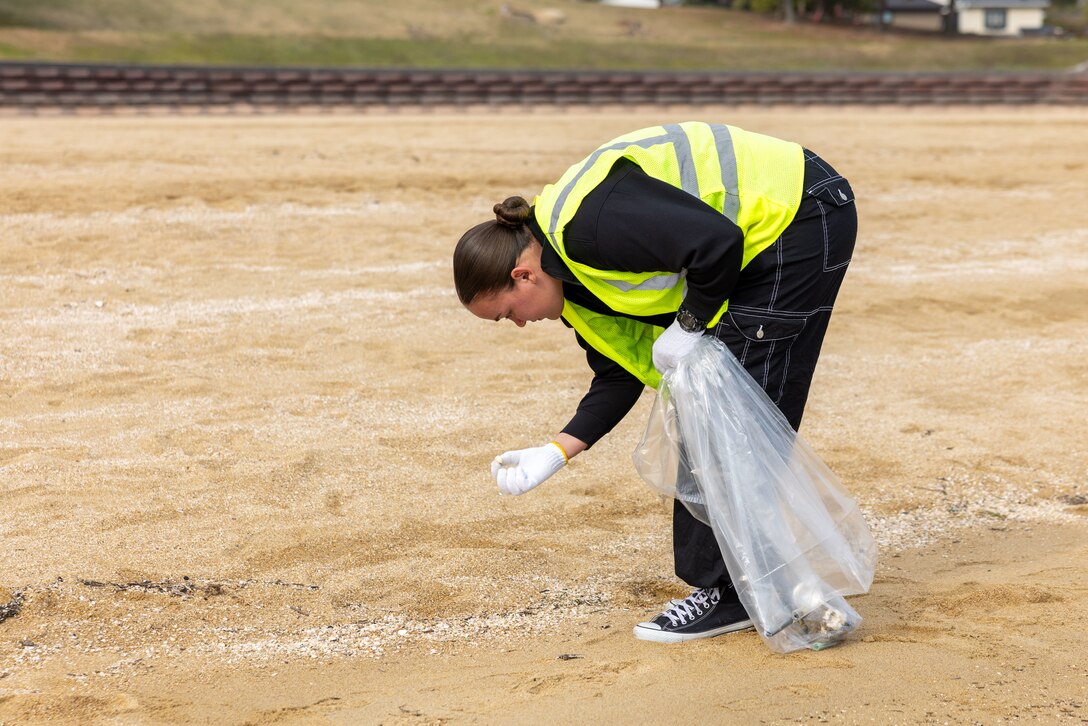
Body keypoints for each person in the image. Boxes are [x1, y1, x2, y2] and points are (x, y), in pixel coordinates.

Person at [453, 121, 857, 644]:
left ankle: (740, 595)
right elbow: (616, 374)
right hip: (780, 227)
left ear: (522, 276)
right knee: (720, 420)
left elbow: (718, 242)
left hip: (798, 216)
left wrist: (690, 325)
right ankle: (758, 588)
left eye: (507, 314)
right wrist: (556, 451)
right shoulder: (574, 288)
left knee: (732, 424)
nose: (520, 325)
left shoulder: (586, 229)